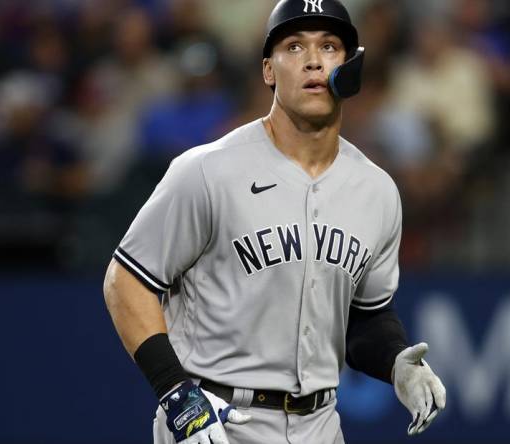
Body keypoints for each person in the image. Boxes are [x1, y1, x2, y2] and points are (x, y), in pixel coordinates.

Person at [103, 1, 446, 443]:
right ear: (268, 70)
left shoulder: (376, 191)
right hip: (215, 423)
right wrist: (177, 394)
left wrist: (396, 363)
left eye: (329, 46)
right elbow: (126, 282)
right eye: (293, 46)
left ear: (350, 67)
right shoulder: (207, 171)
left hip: (320, 425)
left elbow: (366, 317)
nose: (313, 60)